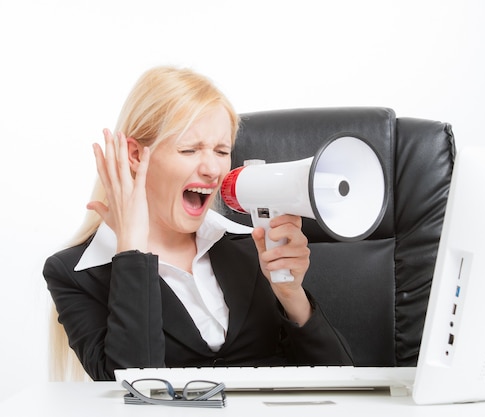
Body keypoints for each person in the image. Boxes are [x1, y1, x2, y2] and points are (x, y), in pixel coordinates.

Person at [43, 66, 353, 381]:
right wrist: (132, 253)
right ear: (135, 155)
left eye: (221, 151)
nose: (212, 169)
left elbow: (342, 383)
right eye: (189, 150)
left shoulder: (250, 245)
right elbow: (133, 389)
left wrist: (291, 295)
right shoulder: (74, 275)